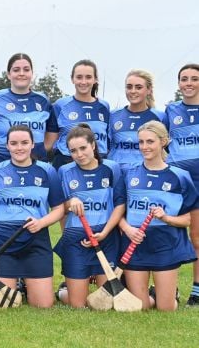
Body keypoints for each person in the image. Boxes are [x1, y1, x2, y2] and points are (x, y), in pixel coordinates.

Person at [0, 125, 65, 308]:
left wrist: (41, 222)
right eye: (14, 143)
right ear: (7, 146)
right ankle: (17, 283)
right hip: (3, 241)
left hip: (36, 239)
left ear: (32, 144)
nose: (19, 148)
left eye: (24, 143)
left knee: (44, 305)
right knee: (6, 305)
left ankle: (32, 287)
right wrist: (7, 217)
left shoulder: (47, 171)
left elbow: (60, 208)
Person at [119, 121, 197, 311]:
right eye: (141, 142)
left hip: (166, 245)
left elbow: (187, 219)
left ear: (163, 141)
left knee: (166, 309)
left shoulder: (180, 176)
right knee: (140, 308)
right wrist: (128, 229)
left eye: (150, 142)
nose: (144, 147)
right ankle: (152, 294)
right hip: (135, 245)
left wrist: (166, 218)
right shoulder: (128, 173)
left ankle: (169, 295)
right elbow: (118, 213)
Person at [55, 124, 124, 308]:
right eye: (73, 151)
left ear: (93, 145)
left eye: (83, 148)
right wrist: (70, 203)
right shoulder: (65, 171)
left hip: (106, 238)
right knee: (79, 305)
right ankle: (63, 291)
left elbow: (119, 205)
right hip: (76, 238)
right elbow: (59, 207)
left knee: (104, 304)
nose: (79, 154)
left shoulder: (112, 168)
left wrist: (105, 232)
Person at [0, 53, 57, 168]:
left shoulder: (43, 101)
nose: (21, 73)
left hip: (36, 167)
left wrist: (35, 151)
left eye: (26, 70)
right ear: (8, 74)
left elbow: (51, 136)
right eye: (16, 70)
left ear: (32, 73)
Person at [163, 63, 199, 306]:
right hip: (176, 182)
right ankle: (169, 289)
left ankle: (196, 290)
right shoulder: (170, 111)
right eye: (184, 79)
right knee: (170, 232)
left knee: (196, 236)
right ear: (178, 84)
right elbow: (161, 141)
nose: (188, 83)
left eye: (194, 79)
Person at [49, 60, 111, 168]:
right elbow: (51, 141)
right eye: (79, 77)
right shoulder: (60, 105)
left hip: (98, 163)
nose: (83, 81)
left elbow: (107, 139)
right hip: (66, 162)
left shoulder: (104, 106)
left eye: (88, 77)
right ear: (72, 79)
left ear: (95, 79)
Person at [108, 69, 165, 170]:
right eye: (129, 87)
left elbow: (165, 147)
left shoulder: (160, 117)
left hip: (144, 175)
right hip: (116, 174)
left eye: (138, 87)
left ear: (149, 90)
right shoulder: (113, 115)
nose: (133, 91)